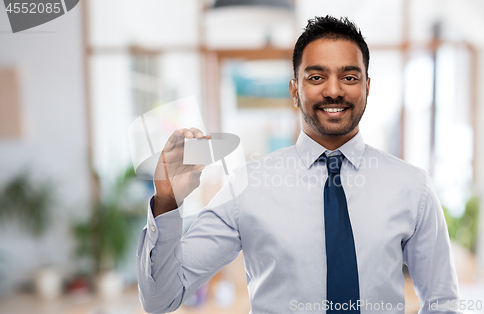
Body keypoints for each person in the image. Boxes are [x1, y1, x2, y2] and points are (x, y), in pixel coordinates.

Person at [136, 16, 461, 313]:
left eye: (349, 76)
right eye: (317, 76)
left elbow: (442, 301)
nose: (333, 91)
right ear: (294, 90)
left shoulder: (411, 187)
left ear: (366, 87)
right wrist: (167, 202)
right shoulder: (247, 186)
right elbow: (161, 298)